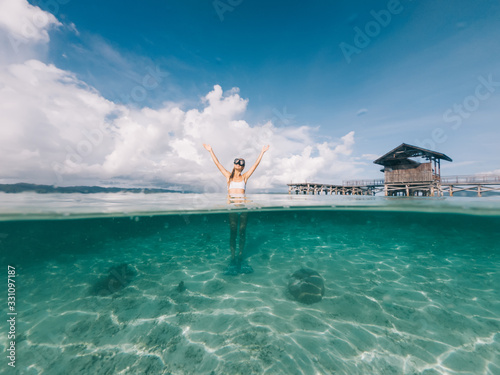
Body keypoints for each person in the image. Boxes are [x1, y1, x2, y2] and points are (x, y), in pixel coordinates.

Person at [203, 144, 270, 275]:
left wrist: (262, 152)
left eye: (241, 162)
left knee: (242, 232)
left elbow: (255, 165)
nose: (239, 163)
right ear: (234, 164)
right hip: (232, 206)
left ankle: (240, 257)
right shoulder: (229, 177)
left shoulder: (245, 177)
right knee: (233, 232)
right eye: (237, 161)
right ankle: (233, 258)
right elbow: (218, 164)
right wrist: (211, 150)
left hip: (244, 207)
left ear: (243, 166)